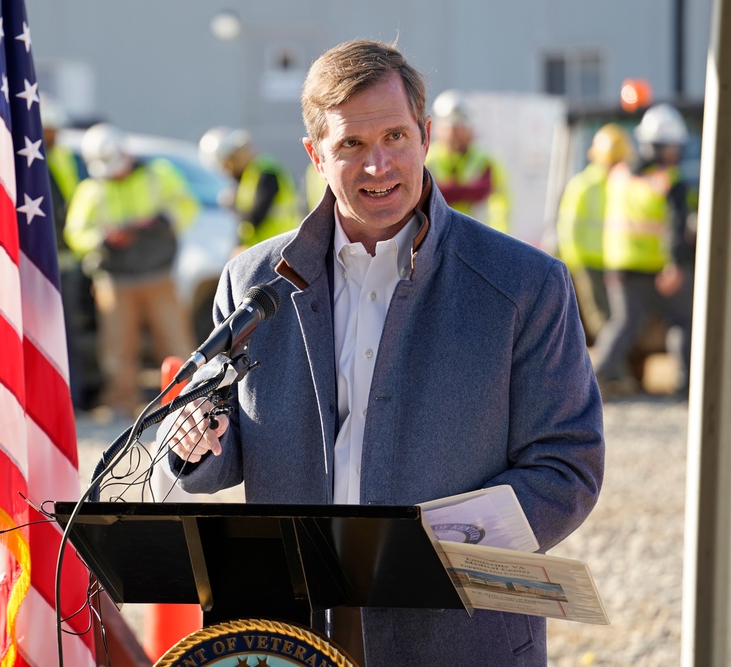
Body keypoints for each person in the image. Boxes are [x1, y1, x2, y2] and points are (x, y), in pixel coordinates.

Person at [161, 39, 604, 665]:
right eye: (351, 145)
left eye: (395, 137)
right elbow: (221, 449)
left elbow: (567, 466)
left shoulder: (526, 284)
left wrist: (428, 554)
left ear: (425, 135)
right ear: (315, 154)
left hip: (458, 637)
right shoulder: (249, 281)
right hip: (291, 635)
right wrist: (190, 441)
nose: (379, 166)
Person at [65, 123, 198, 417]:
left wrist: (158, 221)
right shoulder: (91, 190)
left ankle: (189, 397)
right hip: (115, 279)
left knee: (174, 339)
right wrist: (102, 239)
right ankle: (121, 401)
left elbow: (187, 207)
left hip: (158, 274)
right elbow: (75, 232)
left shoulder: (158, 175)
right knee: (117, 347)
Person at [590, 103, 694, 398]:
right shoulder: (670, 181)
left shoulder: (620, 174)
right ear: (665, 147)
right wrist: (675, 264)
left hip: (619, 264)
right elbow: (676, 227)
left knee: (623, 325)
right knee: (682, 321)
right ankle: (685, 386)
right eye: (673, 146)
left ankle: (588, 383)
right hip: (657, 268)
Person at [555, 123, 635, 344]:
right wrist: (575, 263)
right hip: (587, 263)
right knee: (600, 321)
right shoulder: (582, 186)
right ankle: (609, 374)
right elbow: (567, 228)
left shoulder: (621, 186)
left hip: (612, 263)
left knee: (616, 321)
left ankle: (614, 373)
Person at [40, 99, 91, 410]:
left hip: (66, 262)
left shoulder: (61, 158)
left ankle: (71, 398)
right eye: (49, 131)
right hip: (40, 264)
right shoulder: (28, 161)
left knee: (65, 333)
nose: (54, 136)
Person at [198, 126, 300, 248]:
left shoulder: (266, 171)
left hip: (278, 247)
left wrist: (233, 208)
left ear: (234, 155)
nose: (228, 171)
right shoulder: (248, 175)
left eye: (228, 164)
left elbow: (256, 216)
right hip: (264, 248)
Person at [425, 89, 511, 233]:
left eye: (459, 128)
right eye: (449, 129)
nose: (454, 135)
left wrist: (498, 241)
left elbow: (500, 205)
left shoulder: (485, 161)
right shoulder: (427, 161)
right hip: (436, 239)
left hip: (479, 239)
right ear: (437, 129)